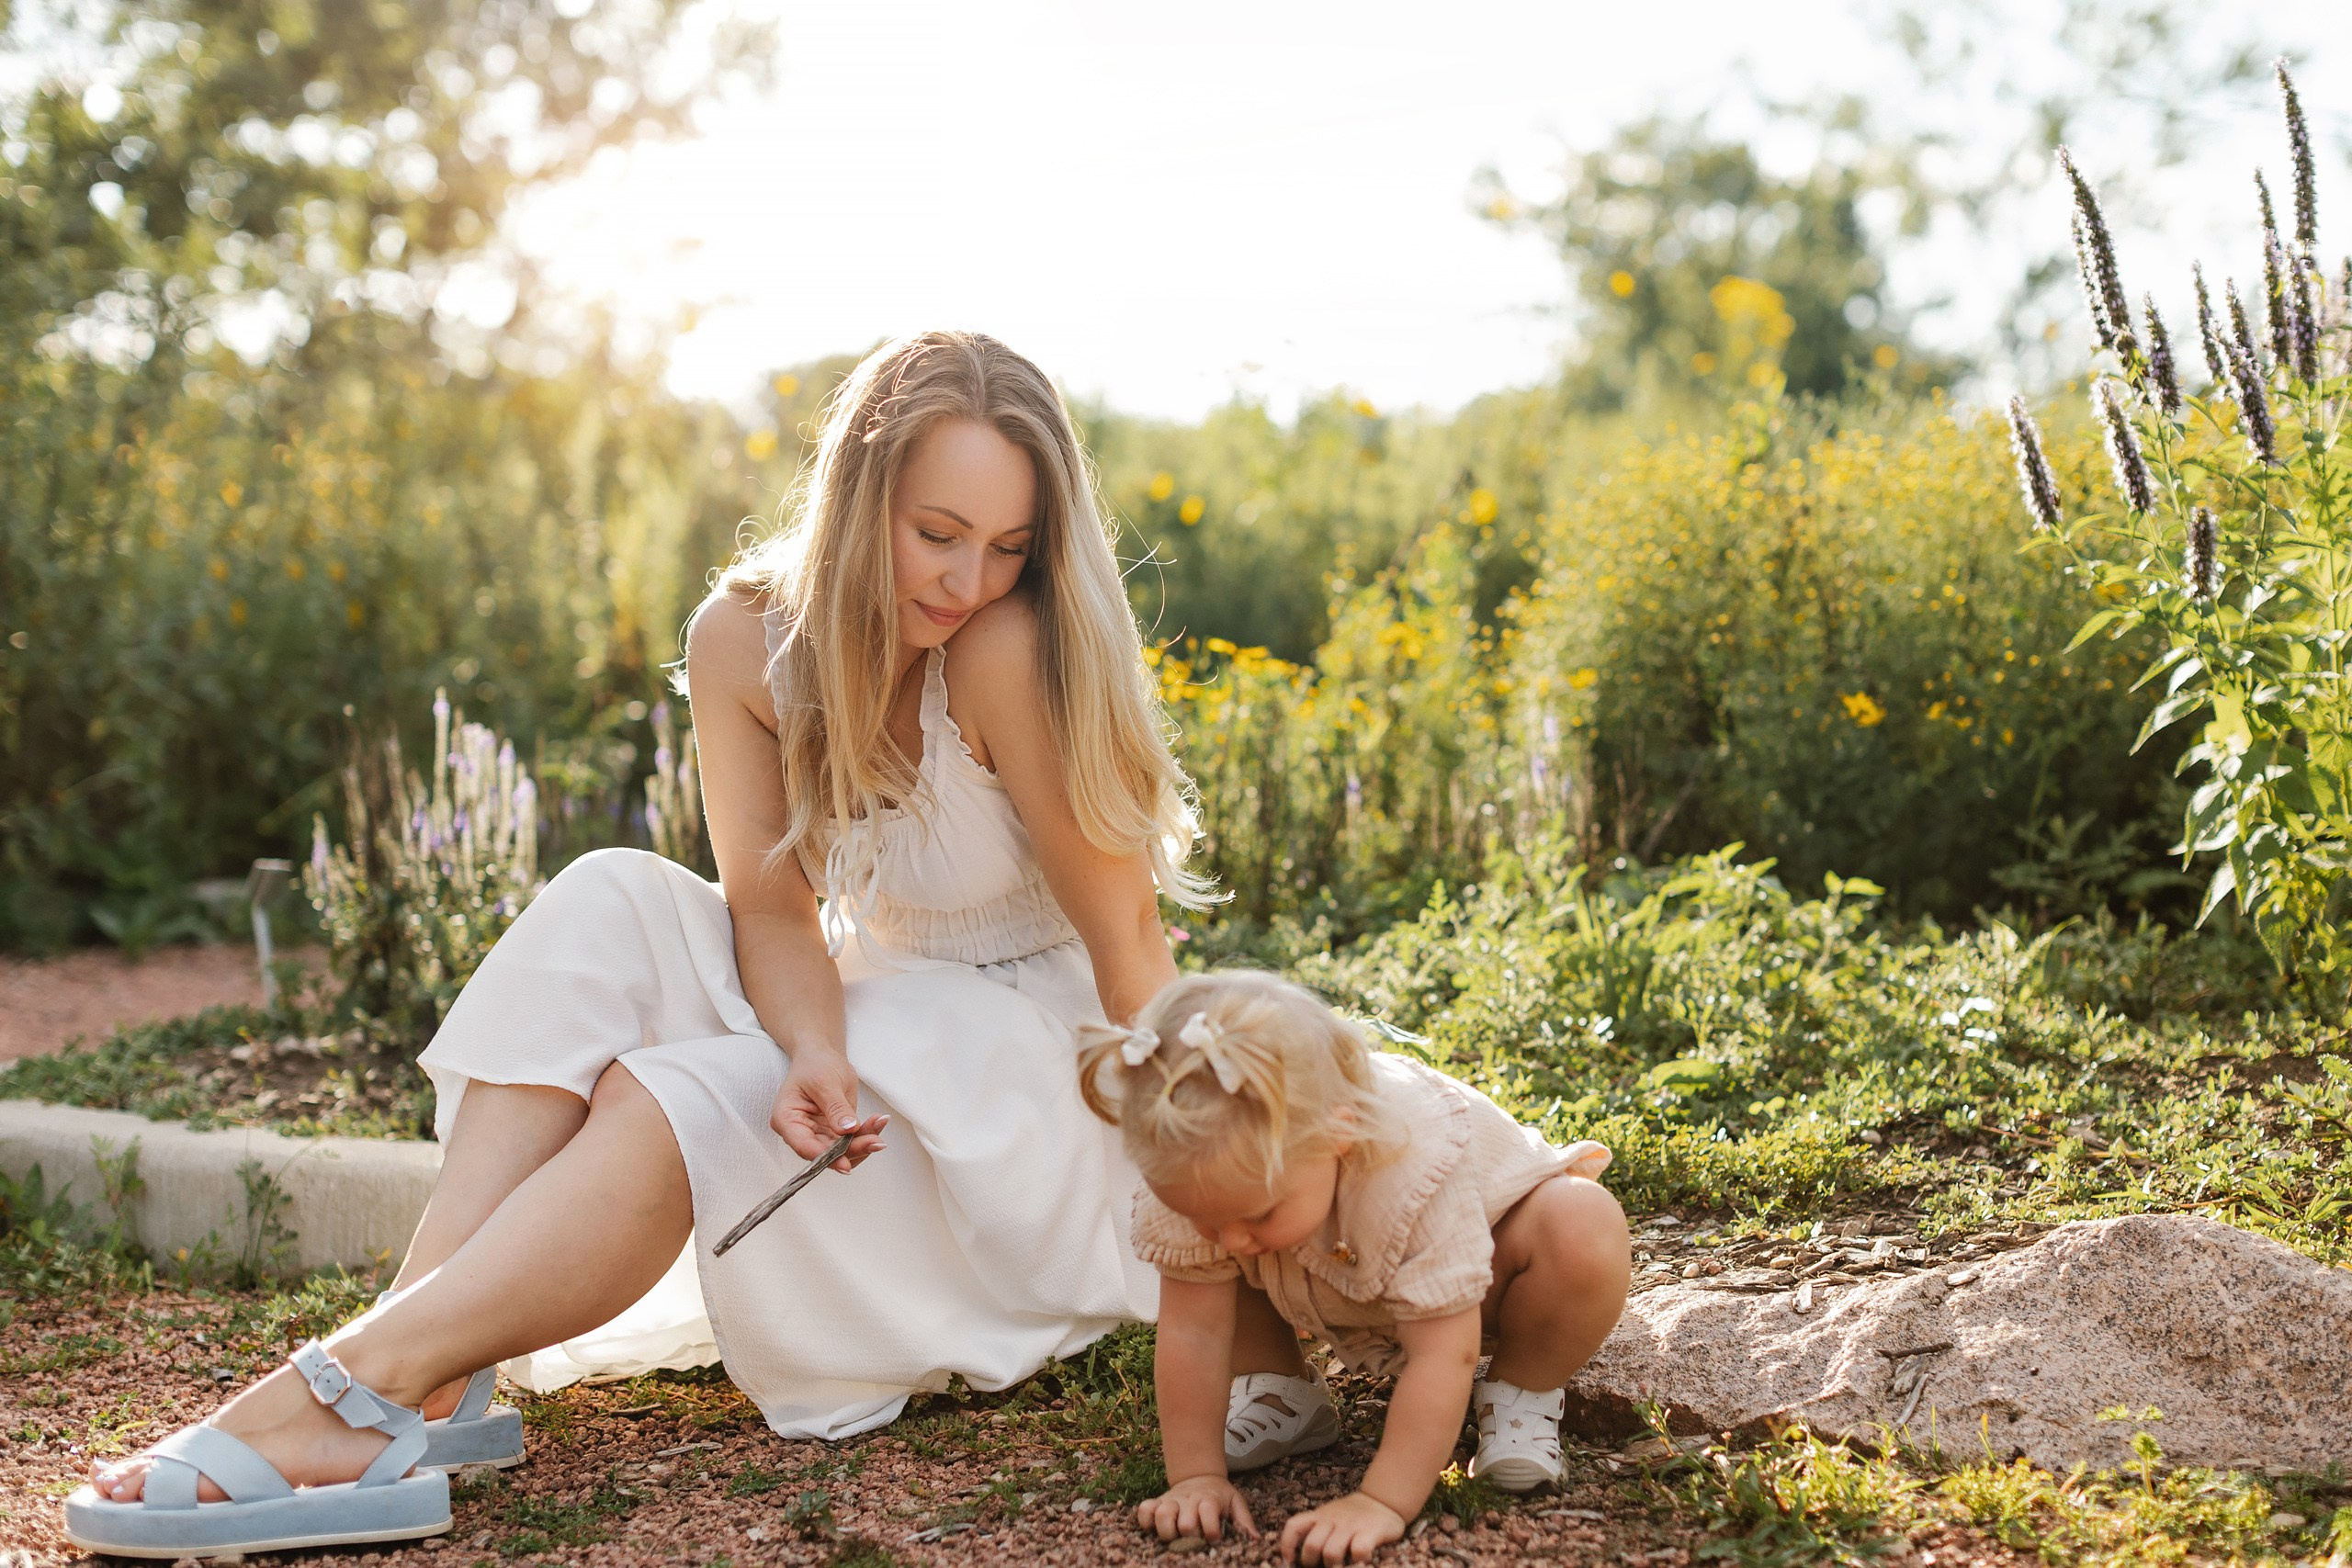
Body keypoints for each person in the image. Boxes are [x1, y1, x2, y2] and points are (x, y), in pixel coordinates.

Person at [68, 330, 1218, 1557]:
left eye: (1008, 547)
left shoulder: (1006, 645)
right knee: (610, 892)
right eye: (936, 532)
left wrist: (1206, 1177)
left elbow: (1127, 943)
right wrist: (815, 1044)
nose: (967, 580)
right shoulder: (747, 635)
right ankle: (429, 1364)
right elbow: (772, 904)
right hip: (877, 998)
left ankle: (355, 1381)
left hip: (1023, 1060)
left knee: (686, 1093)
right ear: (858, 492)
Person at [1079, 970, 1631, 1567]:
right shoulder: (1209, 1169)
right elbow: (1193, 1329)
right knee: (1227, 1243)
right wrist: (1194, 1476)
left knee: (1584, 1224)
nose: (1228, 1238)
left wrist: (1381, 1501)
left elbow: (1445, 1352)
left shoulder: (1410, 1167)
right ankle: (1282, 1388)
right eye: (1205, 1217)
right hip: (1316, 1275)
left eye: (1256, 1212)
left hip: (1482, 1279)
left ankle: (1521, 1389)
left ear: (1337, 1135)